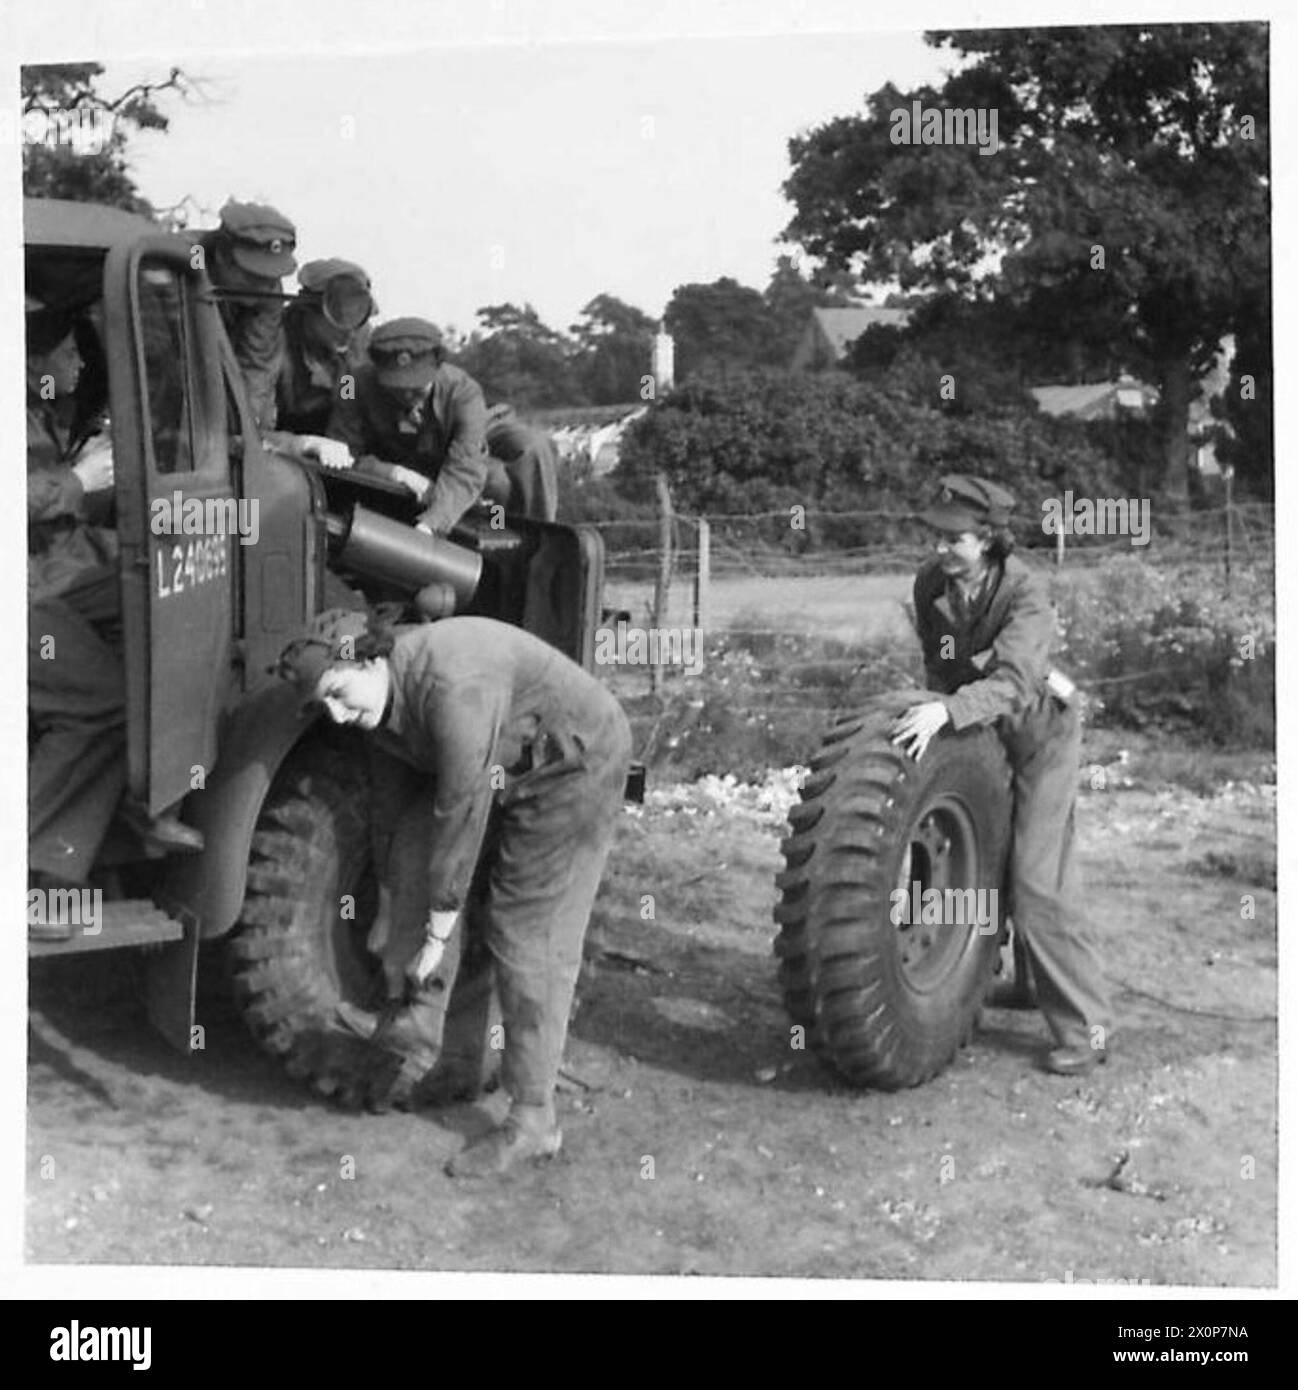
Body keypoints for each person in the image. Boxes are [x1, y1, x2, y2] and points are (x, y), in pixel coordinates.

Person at [274, 608, 632, 1176]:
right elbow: (398, 824)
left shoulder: (452, 690)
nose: (340, 715)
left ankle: (533, 1120)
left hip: (571, 764)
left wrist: (437, 934)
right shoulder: (380, 699)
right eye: (326, 707)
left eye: (341, 694)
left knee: (525, 929)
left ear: (370, 660)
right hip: (507, 758)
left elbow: (461, 817)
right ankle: (417, 1017)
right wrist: (391, 916)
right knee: (416, 851)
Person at [890, 474, 1114, 1076]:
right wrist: (943, 731)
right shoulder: (931, 584)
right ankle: (1025, 985)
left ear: (988, 539)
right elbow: (941, 668)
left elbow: (1016, 683)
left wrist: (952, 710)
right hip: (983, 733)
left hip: (1042, 736)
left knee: (1040, 881)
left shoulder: (1025, 593)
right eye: (936, 536)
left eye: (955, 539)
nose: (941, 549)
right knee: (993, 863)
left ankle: (1085, 1026)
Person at [27, 305, 201, 915]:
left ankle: (142, 795)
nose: (79, 363)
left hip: (44, 577)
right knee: (103, 700)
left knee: (159, 601)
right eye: (68, 353)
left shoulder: (38, 410)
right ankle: (39, 864)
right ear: (35, 357)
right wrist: (78, 478)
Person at [327, 317, 560, 530]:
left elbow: (465, 465)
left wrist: (431, 523)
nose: (408, 395)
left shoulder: (464, 390)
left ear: (437, 366)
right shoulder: (351, 384)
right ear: (377, 368)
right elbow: (340, 454)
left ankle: (540, 542)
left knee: (533, 446)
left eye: (417, 386)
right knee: (496, 479)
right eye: (398, 387)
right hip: (406, 457)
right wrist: (392, 473)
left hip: (468, 433)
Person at [194, 199, 298, 432]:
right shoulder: (185, 261)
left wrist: (246, 432)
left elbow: (257, 365)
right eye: (253, 277)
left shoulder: (270, 291)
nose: (263, 287)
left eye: (270, 278)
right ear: (222, 256)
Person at [273, 257, 377, 438]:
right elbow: (258, 409)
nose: (350, 331)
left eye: (357, 318)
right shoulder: (275, 342)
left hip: (334, 437)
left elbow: (348, 397)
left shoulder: (357, 341)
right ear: (308, 311)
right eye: (341, 318)